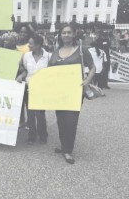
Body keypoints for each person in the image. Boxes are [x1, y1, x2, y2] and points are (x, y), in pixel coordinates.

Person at [48, 24, 96, 164]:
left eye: (69, 32)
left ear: (74, 34)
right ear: (60, 35)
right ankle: (63, 145)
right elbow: (50, 71)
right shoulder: (56, 51)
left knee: (71, 121)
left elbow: (93, 67)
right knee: (61, 119)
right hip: (59, 92)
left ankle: (68, 150)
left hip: (75, 92)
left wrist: (87, 80)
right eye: (64, 33)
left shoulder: (81, 51)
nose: (66, 35)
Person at [16, 34, 51, 144]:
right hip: (28, 88)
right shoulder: (26, 56)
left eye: (31, 44)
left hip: (42, 89)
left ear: (39, 45)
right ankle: (31, 136)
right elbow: (25, 70)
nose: (28, 45)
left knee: (40, 114)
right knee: (30, 113)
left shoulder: (49, 56)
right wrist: (21, 76)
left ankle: (43, 135)